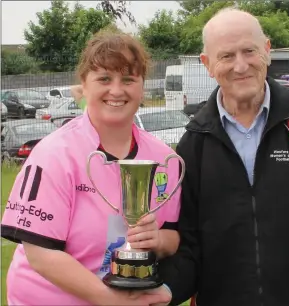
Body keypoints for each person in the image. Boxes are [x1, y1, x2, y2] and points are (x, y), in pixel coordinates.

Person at [159, 8, 289, 306]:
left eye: (249, 51)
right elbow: (189, 245)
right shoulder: (194, 143)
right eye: (226, 56)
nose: (241, 66)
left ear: (266, 50)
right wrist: (166, 291)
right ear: (207, 64)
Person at [1, 30, 181, 306]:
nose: (117, 90)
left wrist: (156, 239)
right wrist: (111, 300)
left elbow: (173, 236)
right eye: (104, 79)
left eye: (129, 79)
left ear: (142, 87)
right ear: (84, 85)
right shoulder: (53, 153)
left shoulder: (164, 159)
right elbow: (40, 253)